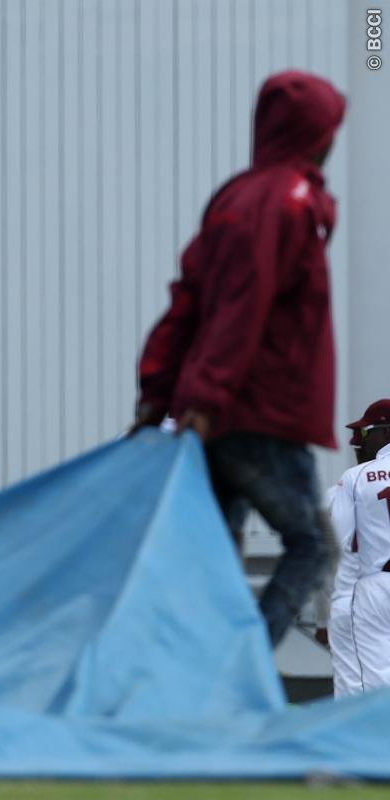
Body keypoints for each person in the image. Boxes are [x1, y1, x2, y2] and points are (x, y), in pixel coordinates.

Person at [132, 70, 345, 646]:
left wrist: (157, 395)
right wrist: (207, 395)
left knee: (217, 561)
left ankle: (202, 669)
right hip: (263, 412)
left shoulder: (234, 197)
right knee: (311, 547)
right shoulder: (289, 201)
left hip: (217, 411)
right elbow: (243, 305)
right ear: (317, 134)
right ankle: (240, 662)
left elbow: (189, 302)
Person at [323, 400, 390, 696]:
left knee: (370, 684)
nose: (359, 443)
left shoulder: (356, 477)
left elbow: (339, 543)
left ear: (386, 432)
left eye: (365, 433)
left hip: (375, 584)